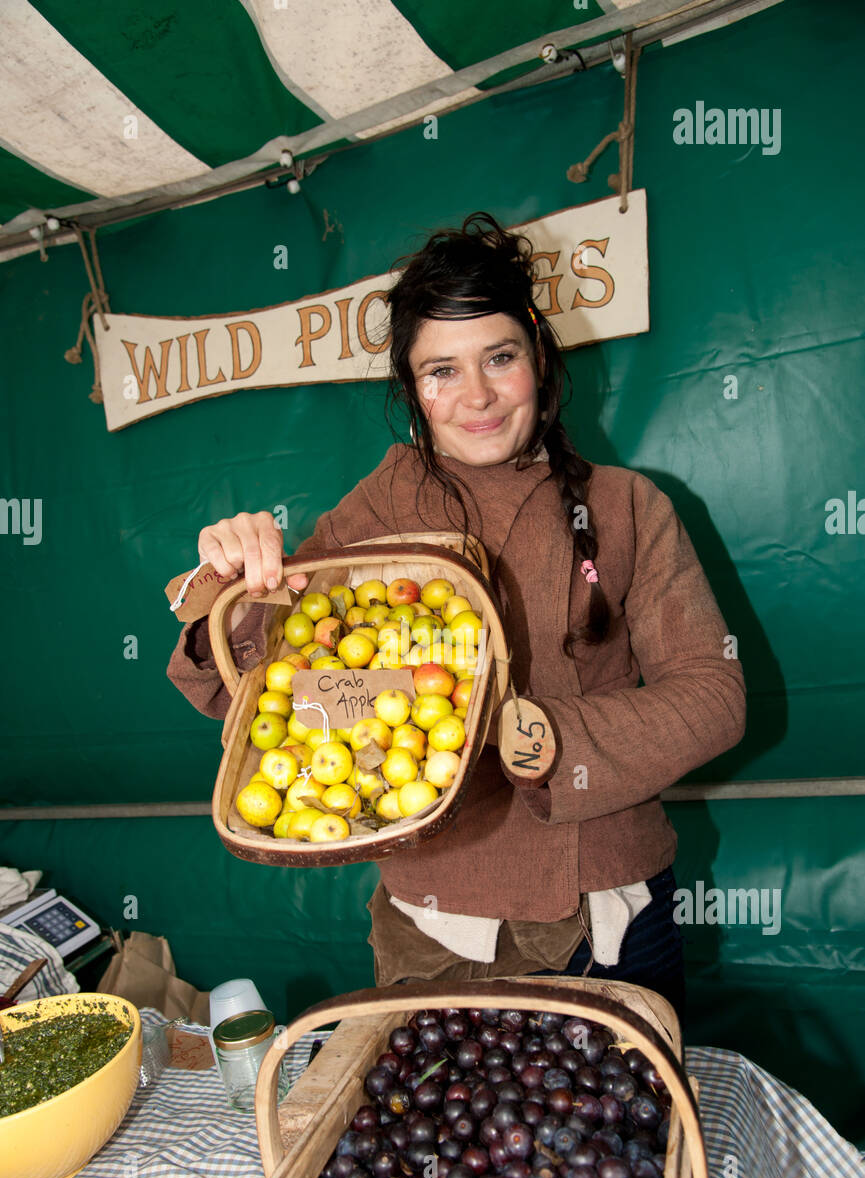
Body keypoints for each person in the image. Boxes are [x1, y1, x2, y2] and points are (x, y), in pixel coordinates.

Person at [167, 211, 746, 1023]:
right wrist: (229, 588)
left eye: (499, 358)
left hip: (603, 912)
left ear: (540, 360)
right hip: (427, 923)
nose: (475, 396)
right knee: (443, 1142)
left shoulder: (626, 507)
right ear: (411, 389)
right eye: (441, 370)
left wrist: (550, 739)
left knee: (616, 1144)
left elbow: (713, 693)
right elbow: (268, 690)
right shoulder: (380, 505)